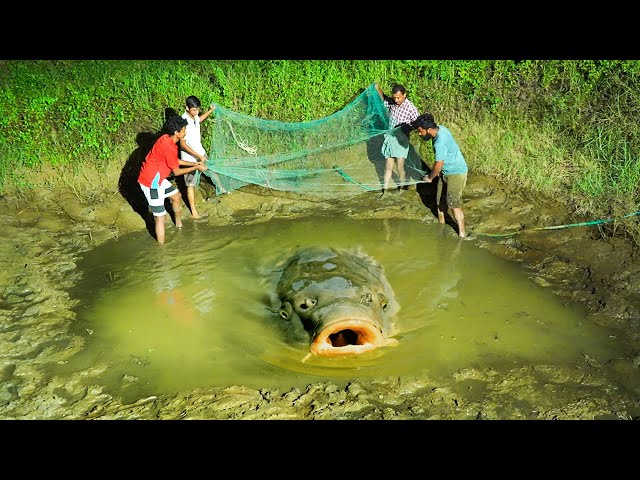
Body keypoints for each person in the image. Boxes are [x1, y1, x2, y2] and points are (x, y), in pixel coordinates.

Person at [138, 115, 208, 245]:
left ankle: (179, 225)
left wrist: (194, 164)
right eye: (184, 130)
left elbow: (175, 161)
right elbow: (176, 171)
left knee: (176, 196)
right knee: (160, 218)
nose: (185, 132)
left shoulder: (166, 139)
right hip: (151, 182)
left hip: (158, 178)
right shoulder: (169, 146)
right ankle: (162, 249)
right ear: (177, 132)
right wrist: (197, 167)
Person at [412, 113, 469, 238]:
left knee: (453, 203)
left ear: (429, 130)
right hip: (445, 172)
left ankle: (462, 234)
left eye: (420, 132)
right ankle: (441, 226)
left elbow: (438, 165)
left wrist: (430, 178)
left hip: (456, 172)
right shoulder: (440, 129)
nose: (419, 134)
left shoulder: (440, 142)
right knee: (439, 200)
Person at [179, 95, 227, 219]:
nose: (197, 112)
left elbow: (199, 120)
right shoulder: (182, 122)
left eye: (198, 109)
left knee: (212, 170)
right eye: (194, 110)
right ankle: (194, 211)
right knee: (190, 184)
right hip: (189, 158)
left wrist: (210, 111)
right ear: (187, 108)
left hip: (201, 153)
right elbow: (183, 145)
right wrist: (198, 156)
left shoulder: (194, 117)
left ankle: (221, 188)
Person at [374, 83, 420, 197]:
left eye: (398, 97)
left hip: (401, 140)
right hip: (390, 138)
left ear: (404, 95)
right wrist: (377, 88)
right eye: (394, 97)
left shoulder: (410, 107)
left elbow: (418, 122)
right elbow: (383, 99)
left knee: (400, 167)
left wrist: (407, 128)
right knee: (388, 166)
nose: (396, 100)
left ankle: (402, 188)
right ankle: (384, 191)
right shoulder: (393, 103)